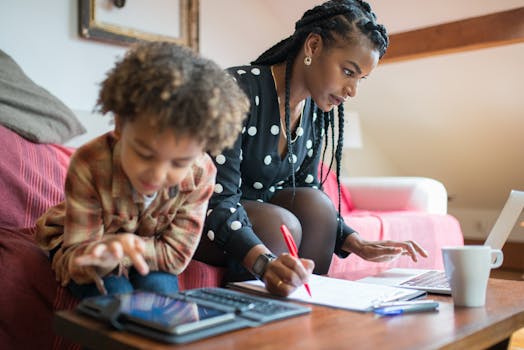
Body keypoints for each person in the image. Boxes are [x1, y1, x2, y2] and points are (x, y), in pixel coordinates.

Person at [195, 0, 428, 296]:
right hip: (205, 217)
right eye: (348, 71)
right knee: (280, 223)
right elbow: (218, 203)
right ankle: (251, 321)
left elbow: (308, 188)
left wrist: (357, 242)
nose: (352, 90)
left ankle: (316, 305)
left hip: (254, 215)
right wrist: (266, 263)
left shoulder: (314, 111)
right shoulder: (234, 91)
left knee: (317, 205)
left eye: (360, 79)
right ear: (314, 46)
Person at [35, 41, 249, 298]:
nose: (157, 175)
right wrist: (103, 256)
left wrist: (128, 249)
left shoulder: (201, 173)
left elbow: (175, 257)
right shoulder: (89, 162)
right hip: (85, 246)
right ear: (120, 125)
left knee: (162, 301)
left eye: (179, 163)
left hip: (151, 247)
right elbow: (80, 254)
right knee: (115, 296)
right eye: (145, 155)